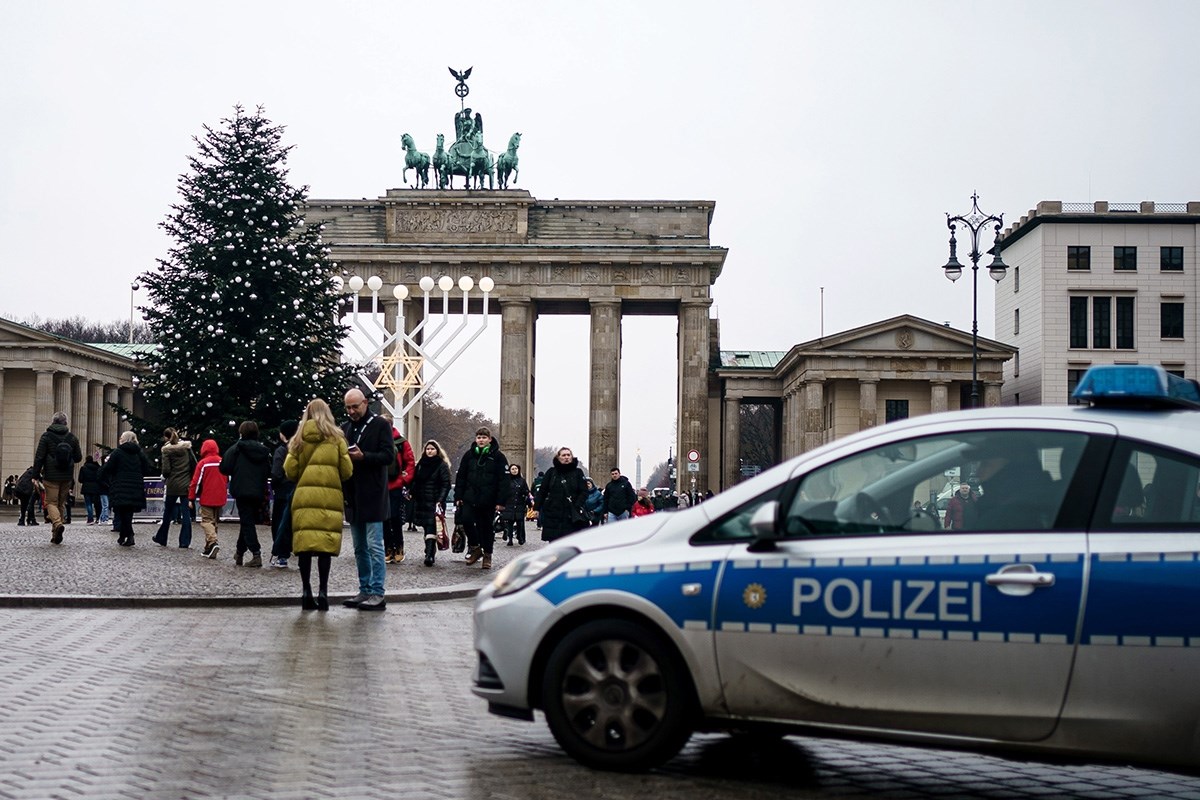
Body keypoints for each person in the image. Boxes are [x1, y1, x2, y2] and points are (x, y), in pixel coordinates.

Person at [285, 399, 353, 611]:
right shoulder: (337, 438)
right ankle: (323, 591)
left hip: (304, 497)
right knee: (325, 547)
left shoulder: (298, 438)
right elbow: (347, 470)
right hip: (329, 498)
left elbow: (290, 470)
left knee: (304, 546)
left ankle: (306, 591)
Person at [340, 388, 395, 611]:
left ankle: (377, 591)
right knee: (359, 547)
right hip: (353, 494)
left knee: (374, 545)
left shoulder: (380, 425)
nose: (351, 411)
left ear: (365, 403)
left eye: (355, 406)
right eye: (348, 408)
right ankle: (364, 589)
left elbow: (389, 456)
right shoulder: (344, 428)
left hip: (373, 493)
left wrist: (364, 457)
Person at [453, 426, 510, 570]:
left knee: (486, 528)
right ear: (475, 439)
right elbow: (461, 477)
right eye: (479, 437)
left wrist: (500, 501)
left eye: (484, 437)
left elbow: (504, 481)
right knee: (465, 521)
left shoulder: (498, 457)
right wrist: (458, 495)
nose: (481, 440)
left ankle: (487, 554)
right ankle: (475, 547)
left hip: (488, 499)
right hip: (470, 497)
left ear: (489, 439)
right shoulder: (468, 455)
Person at [221, 421, 272, 568]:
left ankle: (256, 553)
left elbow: (224, 467)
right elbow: (268, 471)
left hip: (241, 490)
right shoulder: (263, 450)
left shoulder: (236, 448)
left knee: (247, 522)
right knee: (247, 521)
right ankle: (239, 552)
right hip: (258, 491)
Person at [33, 411, 83, 544]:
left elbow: (39, 457)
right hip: (66, 476)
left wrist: (35, 475)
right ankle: (55, 535)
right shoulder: (72, 437)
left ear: (53, 422)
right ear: (65, 423)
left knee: (50, 503)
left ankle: (57, 523)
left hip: (51, 475)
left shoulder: (46, 436)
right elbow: (78, 457)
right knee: (60, 503)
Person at [99, 430, 153, 547]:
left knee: (123, 511)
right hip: (136, 485)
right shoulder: (139, 453)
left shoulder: (118, 452)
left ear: (125, 439)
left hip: (120, 484)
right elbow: (147, 468)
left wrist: (102, 474)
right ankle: (123, 535)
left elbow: (108, 468)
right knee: (128, 512)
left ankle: (130, 535)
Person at [534, 446, 588, 541]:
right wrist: (536, 508)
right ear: (558, 458)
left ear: (572, 457)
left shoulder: (578, 472)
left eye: (568, 455)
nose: (566, 457)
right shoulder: (551, 472)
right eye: (563, 455)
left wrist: (577, 505)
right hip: (553, 512)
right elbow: (542, 491)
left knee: (571, 541)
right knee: (554, 542)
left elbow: (584, 491)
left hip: (571, 513)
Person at [411, 439, 452, 566]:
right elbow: (415, 481)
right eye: (428, 449)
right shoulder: (421, 464)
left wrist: (440, 499)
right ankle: (430, 548)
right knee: (426, 527)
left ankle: (429, 554)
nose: (429, 451)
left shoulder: (441, 465)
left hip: (434, 501)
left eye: (432, 449)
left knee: (431, 527)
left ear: (437, 451)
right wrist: (411, 492)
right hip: (421, 501)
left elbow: (446, 484)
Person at [153, 428, 195, 548]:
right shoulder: (187, 447)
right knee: (186, 513)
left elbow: (166, 470)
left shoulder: (166, 450)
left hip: (173, 485)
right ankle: (184, 541)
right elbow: (193, 463)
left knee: (168, 512)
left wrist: (166, 475)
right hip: (186, 484)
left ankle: (162, 537)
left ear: (166, 437)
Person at [190, 439, 229, 559]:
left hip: (207, 496)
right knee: (214, 523)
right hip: (220, 497)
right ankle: (208, 548)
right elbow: (227, 479)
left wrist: (191, 497)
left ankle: (212, 542)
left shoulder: (203, 463)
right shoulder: (222, 461)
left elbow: (195, 482)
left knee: (206, 521)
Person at [269, 419, 300, 569]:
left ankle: (282, 555)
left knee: (280, 523)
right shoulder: (302, 449)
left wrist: (275, 485)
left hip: (283, 492)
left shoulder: (282, 450)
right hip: (299, 490)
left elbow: (276, 473)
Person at [384, 424, 416, 564]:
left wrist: (405, 479)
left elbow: (410, 462)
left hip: (395, 484)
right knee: (384, 519)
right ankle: (388, 548)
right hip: (381, 485)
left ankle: (398, 547)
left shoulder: (401, 442)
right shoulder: (376, 440)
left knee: (395, 517)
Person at [498, 463, 531, 545]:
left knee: (520, 522)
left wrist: (528, 501)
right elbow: (502, 492)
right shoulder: (506, 481)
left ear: (518, 470)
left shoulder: (522, 481)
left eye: (516, 469)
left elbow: (526, 491)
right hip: (509, 504)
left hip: (519, 504)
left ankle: (519, 536)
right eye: (512, 469)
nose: (514, 470)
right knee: (509, 523)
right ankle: (510, 539)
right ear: (509, 471)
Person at [79, 456, 102, 524]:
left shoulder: (83, 468)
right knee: (96, 504)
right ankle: (98, 518)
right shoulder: (97, 468)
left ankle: (90, 519)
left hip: (86, 487)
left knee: (88, 504)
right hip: (95, 488)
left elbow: (80, 479)